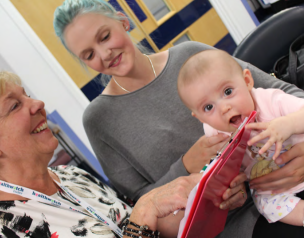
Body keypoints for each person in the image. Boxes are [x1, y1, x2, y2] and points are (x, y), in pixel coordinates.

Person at [53, 0, 304, 236]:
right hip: (241, 224)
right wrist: (185, 166)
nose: (104, 53)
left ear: (123, 21)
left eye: (105, 36)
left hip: (290, 179)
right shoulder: (99, 122)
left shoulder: (190, 54)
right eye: (88, 55)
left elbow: (286, 94)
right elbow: (141, 205)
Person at [0, 71, 242, 238]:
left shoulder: (70, 176)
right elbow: (139, 223)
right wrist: (144, 210)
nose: (37, 103)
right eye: (14, 106)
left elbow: (141, 231)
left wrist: (208, 199)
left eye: (26, 95)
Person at [177, 49, 304, 227]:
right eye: (208, 107)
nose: (224, 108)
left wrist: (288, 123)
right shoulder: (216, 134)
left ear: (247, 81)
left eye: (228, 92)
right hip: (271, 187)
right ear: (199, 117)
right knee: (265, 204)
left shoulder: (269, 101)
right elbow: (231, 167)